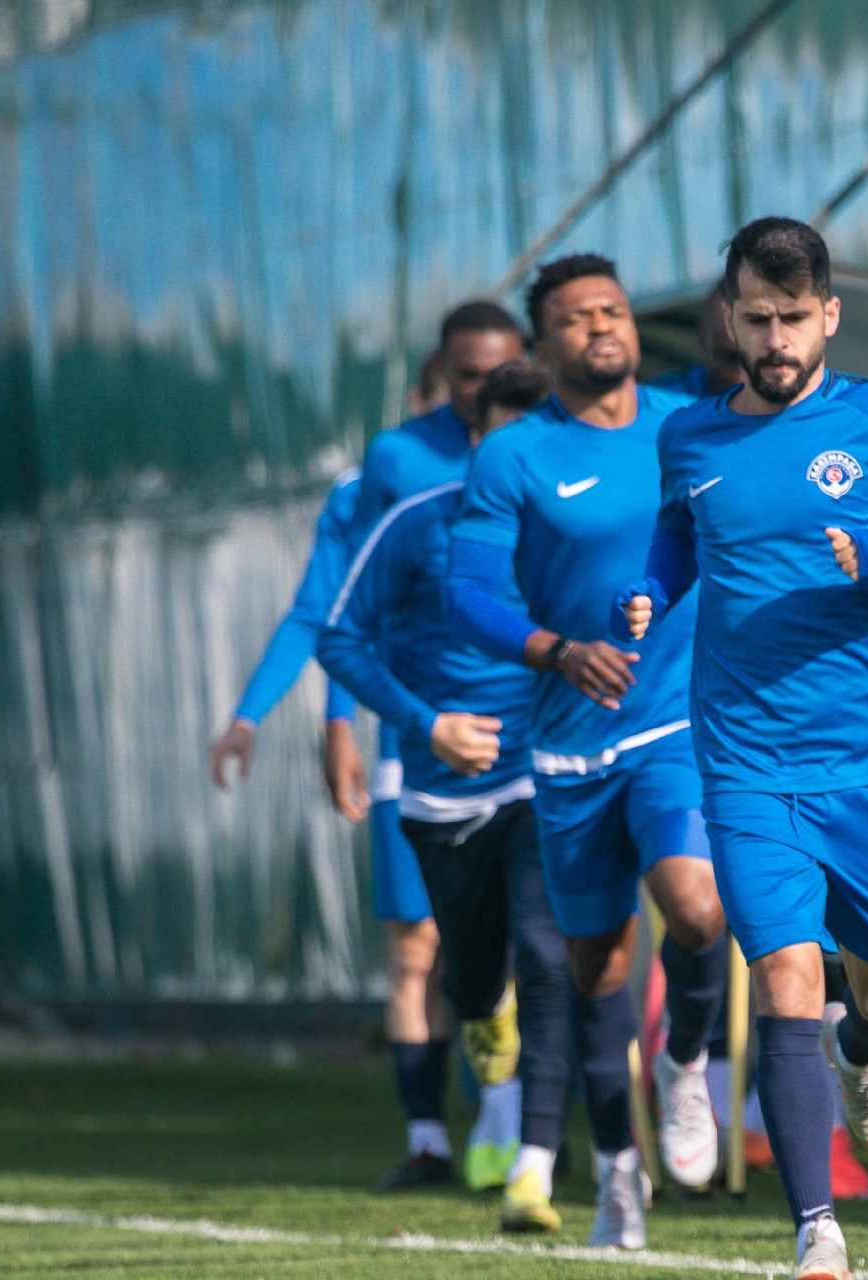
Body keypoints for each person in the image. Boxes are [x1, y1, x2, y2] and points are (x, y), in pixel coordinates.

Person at [619, 216, 868, 1280]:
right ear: (729, 319)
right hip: (743, 762)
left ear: (829, 314)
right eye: (757, 319)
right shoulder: (691, 437)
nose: (775, 339)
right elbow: (678, 534)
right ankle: (816, 1229)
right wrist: (650, 589)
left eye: (793, 318)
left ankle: (859, 1051)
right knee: (785, 976)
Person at [449, 255, 728, 1249]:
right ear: (544, 342)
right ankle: (617, 1169)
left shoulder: (689, 424)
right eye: (576, 317)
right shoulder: (513, 456)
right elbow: (468, 594)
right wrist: (556, 651)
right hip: (571, 749)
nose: (601, 326)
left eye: (613, 310)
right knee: (597, 966)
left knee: (697, 908)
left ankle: (687, 1061)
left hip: (675, 722)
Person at [318, 355, 570, 1229]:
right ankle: (488, 1071)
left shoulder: (580, 528)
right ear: (474, 441)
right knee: (473, 976)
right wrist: (428, 728)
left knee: (548, 955)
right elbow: (339, 640)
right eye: (505, 443)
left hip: (545, 774)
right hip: (440, 791)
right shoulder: (417, 522)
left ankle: (538, 1157)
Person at [206, 462, 459, 1188]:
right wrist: (323, 719)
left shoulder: (526, 464)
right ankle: (431, 1141)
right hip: (411, 753)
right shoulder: (372, 482)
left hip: (520, 756)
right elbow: (329, 615)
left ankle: (524, 1131)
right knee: (416, 950)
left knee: (514, 955)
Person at [651, 284, 743, 399]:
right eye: (730, 360)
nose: (743, 379)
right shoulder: (665, 403)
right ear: (702, 342)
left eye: (758, 360)